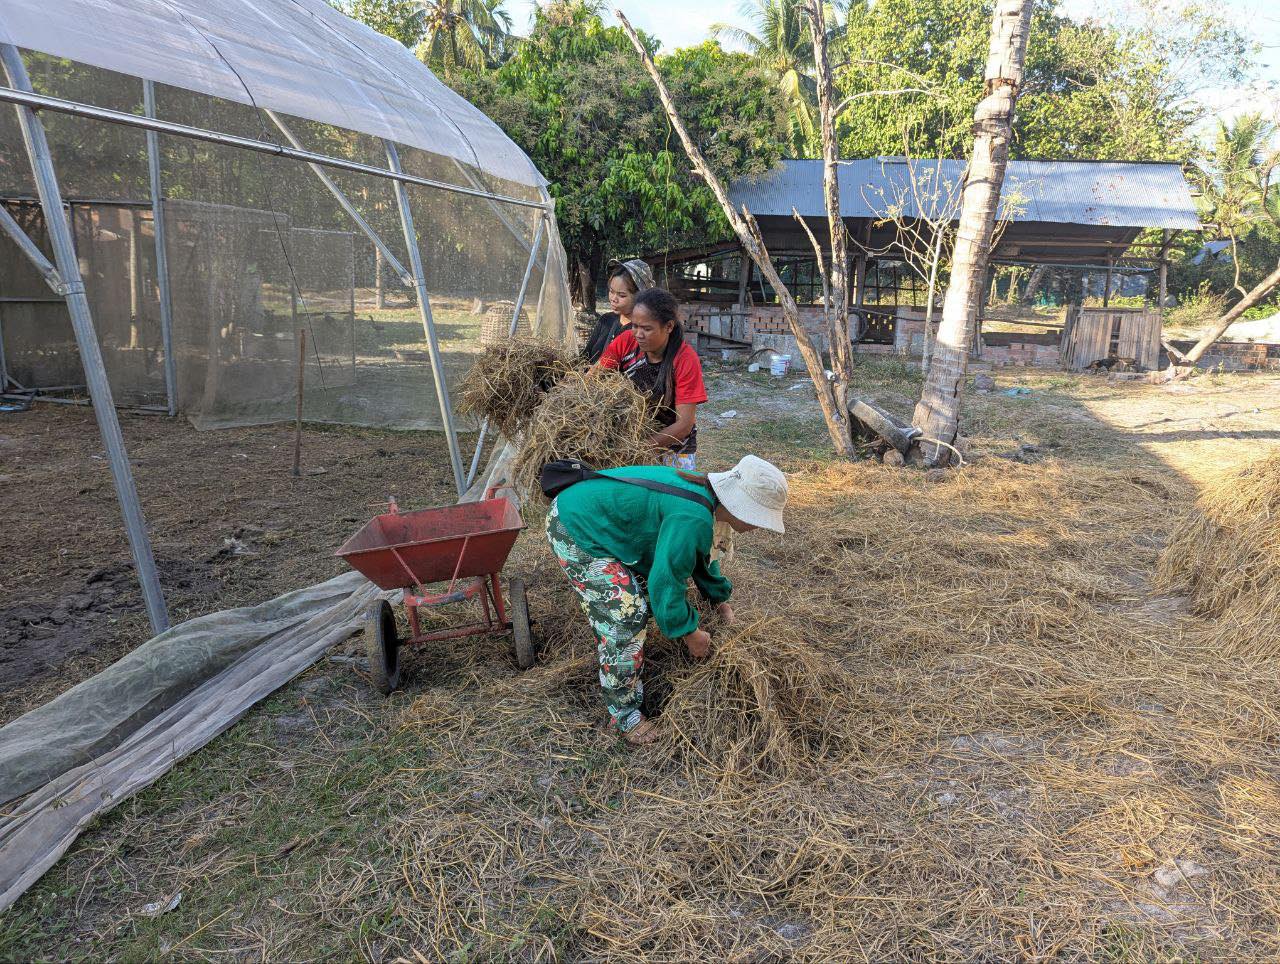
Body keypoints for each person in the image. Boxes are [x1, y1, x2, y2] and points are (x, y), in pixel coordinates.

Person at [545, 455, 789, 745]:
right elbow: (665, 581)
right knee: (627, 614)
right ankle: (624, 714)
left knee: (639, 596)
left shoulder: (710, 502)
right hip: (574, 525)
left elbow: (703, 556)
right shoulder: (693, 517)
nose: (760, 526)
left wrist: (719, 600)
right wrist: (689, 632)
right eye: (759, 517)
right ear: (741, 507)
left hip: (598, 519)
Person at [597, 287, 706, 470]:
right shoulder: (625, 341)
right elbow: (592, 379)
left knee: (667, 487)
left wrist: (638, 449)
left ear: (669, 326)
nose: (638, 334)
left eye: (647, 329)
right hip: (627, 440)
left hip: (673, 448)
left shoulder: (685, 359)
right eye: (634, 326)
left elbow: (684, 425)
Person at [582, 258, 654, 363]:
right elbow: (585, 357)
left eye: (622, 295)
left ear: (640, 296)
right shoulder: (606, 320)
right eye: (611, 291)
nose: (613, 299)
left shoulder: (640, 333)